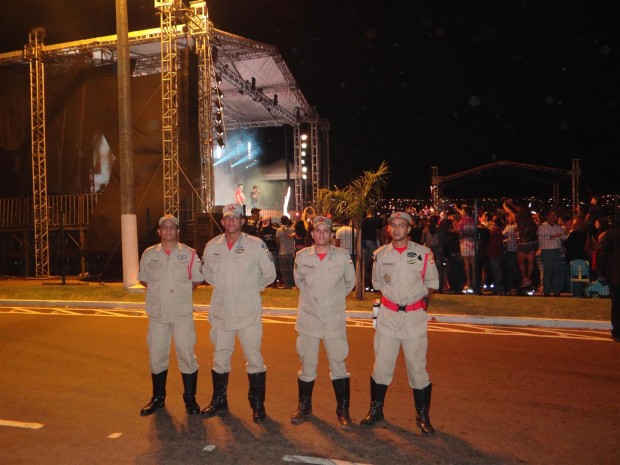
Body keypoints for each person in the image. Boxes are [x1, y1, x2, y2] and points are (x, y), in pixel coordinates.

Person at [360, 211, 439, 436]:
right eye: (393, 225)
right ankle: (376, 410)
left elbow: (432, 284)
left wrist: (419, 298)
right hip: (388, 316)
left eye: (401, 225)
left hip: (414, 318)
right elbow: (377, 284)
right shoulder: (379, 255)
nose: (396, 229)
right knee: (382, 365)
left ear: (409, 228)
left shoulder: (423, 254)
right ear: (389, 228)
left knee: (417, 367)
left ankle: (422, 416)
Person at [200, 203, 276, 423]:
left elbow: (269, 274)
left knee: (254, 358)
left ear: (242, 221)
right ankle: (219, 400)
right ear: (222, 221)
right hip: (222, 311)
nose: (231, 221)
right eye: (227, 218)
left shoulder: (255, 245)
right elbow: (206, 272)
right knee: (220, 357)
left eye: (235, 218)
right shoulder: (212, 246)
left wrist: (250, 289)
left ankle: (257, 405)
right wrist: (225, 288)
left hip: (247, 313)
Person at [290, 216, 356, 429]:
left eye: (325, 231)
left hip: (333, 319)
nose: (321, 234)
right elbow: (299, 281)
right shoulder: (302, 257)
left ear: (331, 234)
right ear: (312, 234)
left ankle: (343, 411)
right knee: (307, 365)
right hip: (309, 318)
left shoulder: (342, 257)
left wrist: (332, 300)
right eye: (317, 231)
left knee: (338, 365)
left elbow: (350, 283)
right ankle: (304, 407)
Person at [137, 214, 205, 417]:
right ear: (159, 231)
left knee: (186, 355)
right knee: (157, 356)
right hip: (158, 313)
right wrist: (161, 292)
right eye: (164, 227)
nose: (168, 230)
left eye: (172, 227)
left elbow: (197, 279)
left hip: (181, 314)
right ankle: (158, 397)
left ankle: (190, 398)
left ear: (178, 231)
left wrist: (179, 293)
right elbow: (144, 279)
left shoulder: (189, 254)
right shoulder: (149, 254)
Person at [597, 226, 620, 342]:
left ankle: (617, 332)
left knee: (616, 304)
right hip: (615, 274)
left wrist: (601, 272)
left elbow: (604, 255)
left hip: (615, 274)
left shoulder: (610, 235)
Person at [537, 210, 565, 296]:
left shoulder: (558, 227)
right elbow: (541, 238)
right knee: (548, 271)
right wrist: (553, 236)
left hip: (557, 250)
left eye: (555, 215)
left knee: (556, 271)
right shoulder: (542, 227)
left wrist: (561, 235)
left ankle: (556, 291)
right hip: (547, 250)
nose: (554, 217)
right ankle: (547, 291)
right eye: (552, 215)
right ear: (547, 216)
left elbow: (564, 236)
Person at [276, 216, 296, 289]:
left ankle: (286, 284)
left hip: (282, 252)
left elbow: (277, 241)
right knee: (291, 269)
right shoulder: (293, 229)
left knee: (284, 270)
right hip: (291, 252)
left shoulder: (279, 230)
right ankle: (292, 283)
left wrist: (279, 246)